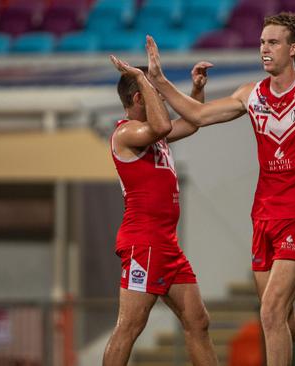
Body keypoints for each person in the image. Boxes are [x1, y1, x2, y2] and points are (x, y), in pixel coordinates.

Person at [143, 11, 295, 366]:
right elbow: (199, 115)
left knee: (270, 312)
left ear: (293, 48)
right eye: (261, 42)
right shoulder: (250, 93)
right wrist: (160, 81)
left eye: (273, 42)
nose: (264, 49)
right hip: (264, 215)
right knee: (283, 318)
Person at [102, 53, 219, 366]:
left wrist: (196, 91)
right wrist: (143, 76)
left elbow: (192, 124)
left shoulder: (154, 133)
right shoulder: (127, 133)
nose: (164, 97)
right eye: (156, 92)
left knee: (198, 321)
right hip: (144, 242)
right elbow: (164, 124)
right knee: (129, 326)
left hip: (166, 243)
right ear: (140, 97)